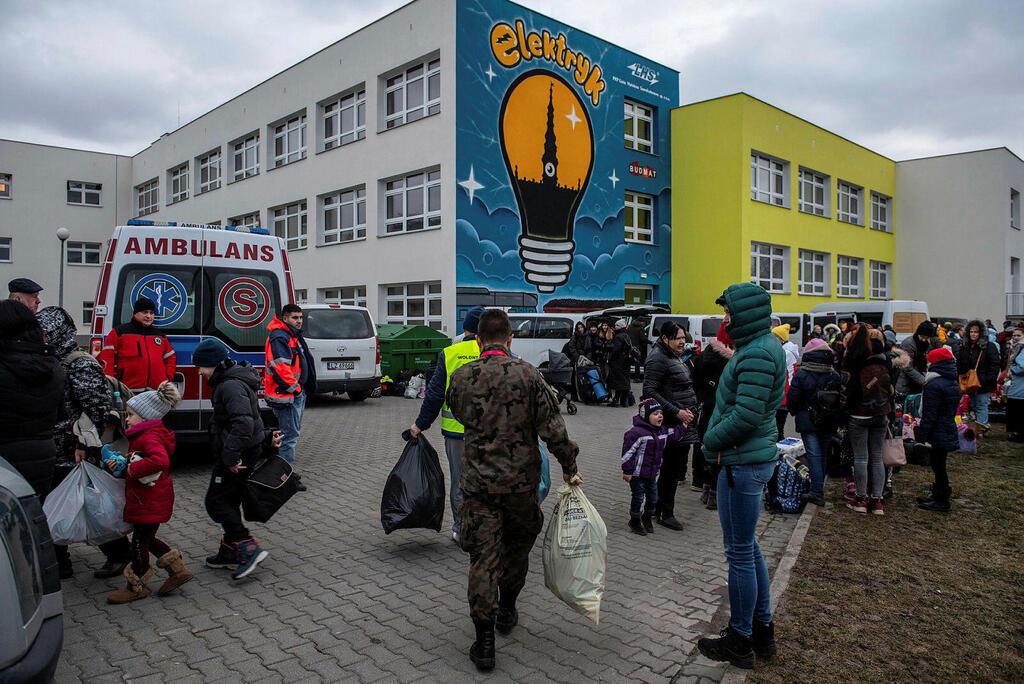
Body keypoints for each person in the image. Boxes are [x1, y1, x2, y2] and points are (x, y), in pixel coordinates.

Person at [445, 308, 580, 673]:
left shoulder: (461, 377)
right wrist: (569, 466)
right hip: (522, 486)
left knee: (482, 559)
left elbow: (458, 413)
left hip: (479, 488)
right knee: (517, 551)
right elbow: (553, 429)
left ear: (476, 339)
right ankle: (507, 610)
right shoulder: (529, 375)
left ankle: (485, 640)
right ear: (510, 338)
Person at [697, 283, 786, 670]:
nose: (725, 320)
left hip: (741, 463)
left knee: (739, 554)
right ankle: (761, 630)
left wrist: (709, 441)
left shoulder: (757, 355)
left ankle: (739, 638)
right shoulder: (760, 349)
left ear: (746, 314)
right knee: (748, 549)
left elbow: (746, 415)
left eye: (729, 313)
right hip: (747, 461)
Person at [36, 305, 131, 580]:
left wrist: (84, 445)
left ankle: (119, 554)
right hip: (55, 446)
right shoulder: (52, 359)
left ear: (58, 332)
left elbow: (97, 409)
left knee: (89, 503)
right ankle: (59, 561)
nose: (42, 337)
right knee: (55, 505)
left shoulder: (80, 363)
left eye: (45, 332)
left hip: (74, 448)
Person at [104, 382, 193, 603]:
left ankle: (136, 585)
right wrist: (125, 463)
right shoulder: (145, 435)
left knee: (138, 542)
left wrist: (131, 468)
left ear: (145, 417)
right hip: (148, 498)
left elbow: (159, 460)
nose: (127, 419)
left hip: (148, 500)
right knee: (148, 538)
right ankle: (177, 569)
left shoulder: (148, 437)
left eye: (131, 415)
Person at [193, 337, 270, 580]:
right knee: (229, 498)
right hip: (242, 451)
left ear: (213, 364)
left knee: (216, 502)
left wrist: (230, 458)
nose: (199, 372)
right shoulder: (231, 380)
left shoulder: (229, 385)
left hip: (237, 454)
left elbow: (243, 423)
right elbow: (250, 417)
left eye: (201, 367)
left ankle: (247, 546)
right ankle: (229, 551)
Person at [409, 305, 484, 543]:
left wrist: (420, 424)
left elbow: (434, 395)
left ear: (465, 329)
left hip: (457, 434)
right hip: (491, 433)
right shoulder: (498, 353)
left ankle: (462, 530)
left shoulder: (450, 353)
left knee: (460, 482)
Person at [0, 300, 65, 497]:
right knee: (32, 509)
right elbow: (61, 413)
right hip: (42, 452)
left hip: (4, 456)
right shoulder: (54, 367)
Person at [642, 320, 698, 531]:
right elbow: (649, 390)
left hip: (682, 421)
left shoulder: (671, 355)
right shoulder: (658, 358)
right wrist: (677, 411)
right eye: (678, 338)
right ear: (665, 339)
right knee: (671, 469)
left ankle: (658, 508)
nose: (683, 341)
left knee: (671, 469)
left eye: (684, 337)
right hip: (671, 422)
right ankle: (665, 512)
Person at [842, 326, 892, 515]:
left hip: (859, 413)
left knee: (861, 457)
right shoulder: (884, 360)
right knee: (877, 457)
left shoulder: (855, 361)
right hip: (881, 412)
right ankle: (877, 500)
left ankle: (861, 498)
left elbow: (848, 389)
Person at [785, 338, 841, 507]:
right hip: (828, 420)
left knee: (813, 455)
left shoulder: (802, 374)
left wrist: (795, 412)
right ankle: (818, 487)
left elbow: (793, 398)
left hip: (808, 420)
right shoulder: (834, 375)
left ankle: (816, 491)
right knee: (822, 453)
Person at [264, 304, 315, 484]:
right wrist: (297, 389)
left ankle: (283, 473)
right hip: (287, 396)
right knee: (288, 438)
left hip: (294, 394)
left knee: (289, 436)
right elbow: (280, 368)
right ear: (285, 318)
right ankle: (285, 478)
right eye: (295, 317)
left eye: (300, 317)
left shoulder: (292, 335)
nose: (299, 321)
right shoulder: (280, 337)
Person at [621, 398, 685, 535]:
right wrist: (627, 471)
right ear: (645, 416)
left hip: (652, 474)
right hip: (637, 474)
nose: (660, 416)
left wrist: (683, 425)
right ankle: (635, 520)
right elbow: (628, 453)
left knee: (653, 498)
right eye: (655, 413)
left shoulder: (661, 432)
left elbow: (672, 436)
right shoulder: (636, 433)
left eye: (661, 413)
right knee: (638, 497)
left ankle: (647, 516)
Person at [691, 324, 734, 511]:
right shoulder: (731, 361)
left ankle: (703, 486)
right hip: (723, 410)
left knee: (704, 446)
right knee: (720, 452)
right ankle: (715, 494)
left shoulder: (701, 357)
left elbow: (693, 383)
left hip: (705, 408)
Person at [915, 348, 961, 512]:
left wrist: (922, 433)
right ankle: (938, 494)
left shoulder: (934, 384)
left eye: (929, 361)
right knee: (939, 463)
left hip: (938, 429)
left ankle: (941, 498)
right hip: (947, 426)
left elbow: (930, 413)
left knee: (938, 465)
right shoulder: (951, 381)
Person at [98, 296, 177, 392]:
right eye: (145, 312)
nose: (148, 316)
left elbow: (171, 357)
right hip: (128, 390)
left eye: (151, 313)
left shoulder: (160, 335)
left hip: (156, 390)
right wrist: (111, 383)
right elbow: (107, 358)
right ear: (135, 313)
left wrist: (167, 377)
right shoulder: (119, 332)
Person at [956, 319, 1001, 434]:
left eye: (976, 332)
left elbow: (995, 364)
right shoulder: (965, 346)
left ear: (981, 333)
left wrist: (987, 378)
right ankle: (982, 425)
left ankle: (981, 429)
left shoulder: (989, 347)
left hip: (983, 383)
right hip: (969, 382)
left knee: (981, 405)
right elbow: (960, 363)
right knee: (975, 405)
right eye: (971, 332)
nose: (973, 334)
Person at [771, 324, 798, 442]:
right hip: (784, 394)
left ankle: (779, 454)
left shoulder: (785, 353)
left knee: (777, 428)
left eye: (774, 336)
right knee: (778, 427)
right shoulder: (787, 351)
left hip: (782, 394)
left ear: (781, 338)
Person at [895, 321, 935, 397]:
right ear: (918, 333)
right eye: (922, 336)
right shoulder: (909, 344)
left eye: (926, 338)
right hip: (906, 383)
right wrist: (923, 380)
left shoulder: (925, 344)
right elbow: (907, 367)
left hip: (916, 381)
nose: (924, 339)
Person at [1003, 324, 1024, 442]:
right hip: (1017, 386)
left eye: (1018, 335)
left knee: (1018, 412)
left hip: (1020, 386)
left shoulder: (1022, 349)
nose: (1015, 337)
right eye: (1014, 335)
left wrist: (1012, 370)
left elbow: (1022, 367)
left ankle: (1019, 434)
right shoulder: (1017, 348)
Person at [606, 319, 633, 407]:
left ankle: (617, 400)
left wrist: (610, 350)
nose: (615, 327)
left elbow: (616, 350)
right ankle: (623, 400)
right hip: (626, 362)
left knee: (619, 381)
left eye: (617, 325)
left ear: (621, 326)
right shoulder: (626, 335)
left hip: (618, 362)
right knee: (624, 380)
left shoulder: (618, 336)